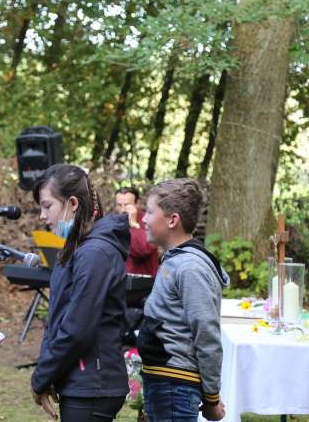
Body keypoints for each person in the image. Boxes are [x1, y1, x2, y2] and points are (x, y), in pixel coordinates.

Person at [31, 164, 130, 422]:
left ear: (72, 203)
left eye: (47, 205)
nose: (42, 215)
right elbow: (58, 316)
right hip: (80, 380)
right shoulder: (78, 249)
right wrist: (49, 373)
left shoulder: (94, 253)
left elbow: (77, 329)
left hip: (93, 384)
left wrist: (41, 377)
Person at [136, 179, 229, 422]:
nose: (143, 219)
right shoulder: (174, 259)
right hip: (163, 382)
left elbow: (206, 333)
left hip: (175, 387)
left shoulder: (189, 267)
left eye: (149, 211)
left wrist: (211, 398)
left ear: (172, 220)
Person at [115, 187, 159, 276]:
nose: (123, 210)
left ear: (137, 204)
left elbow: (143, 249)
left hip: (144, 283)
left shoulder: (148, 221)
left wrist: (134, 225)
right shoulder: (115, 223)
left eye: (127, 205)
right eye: (119, 205)